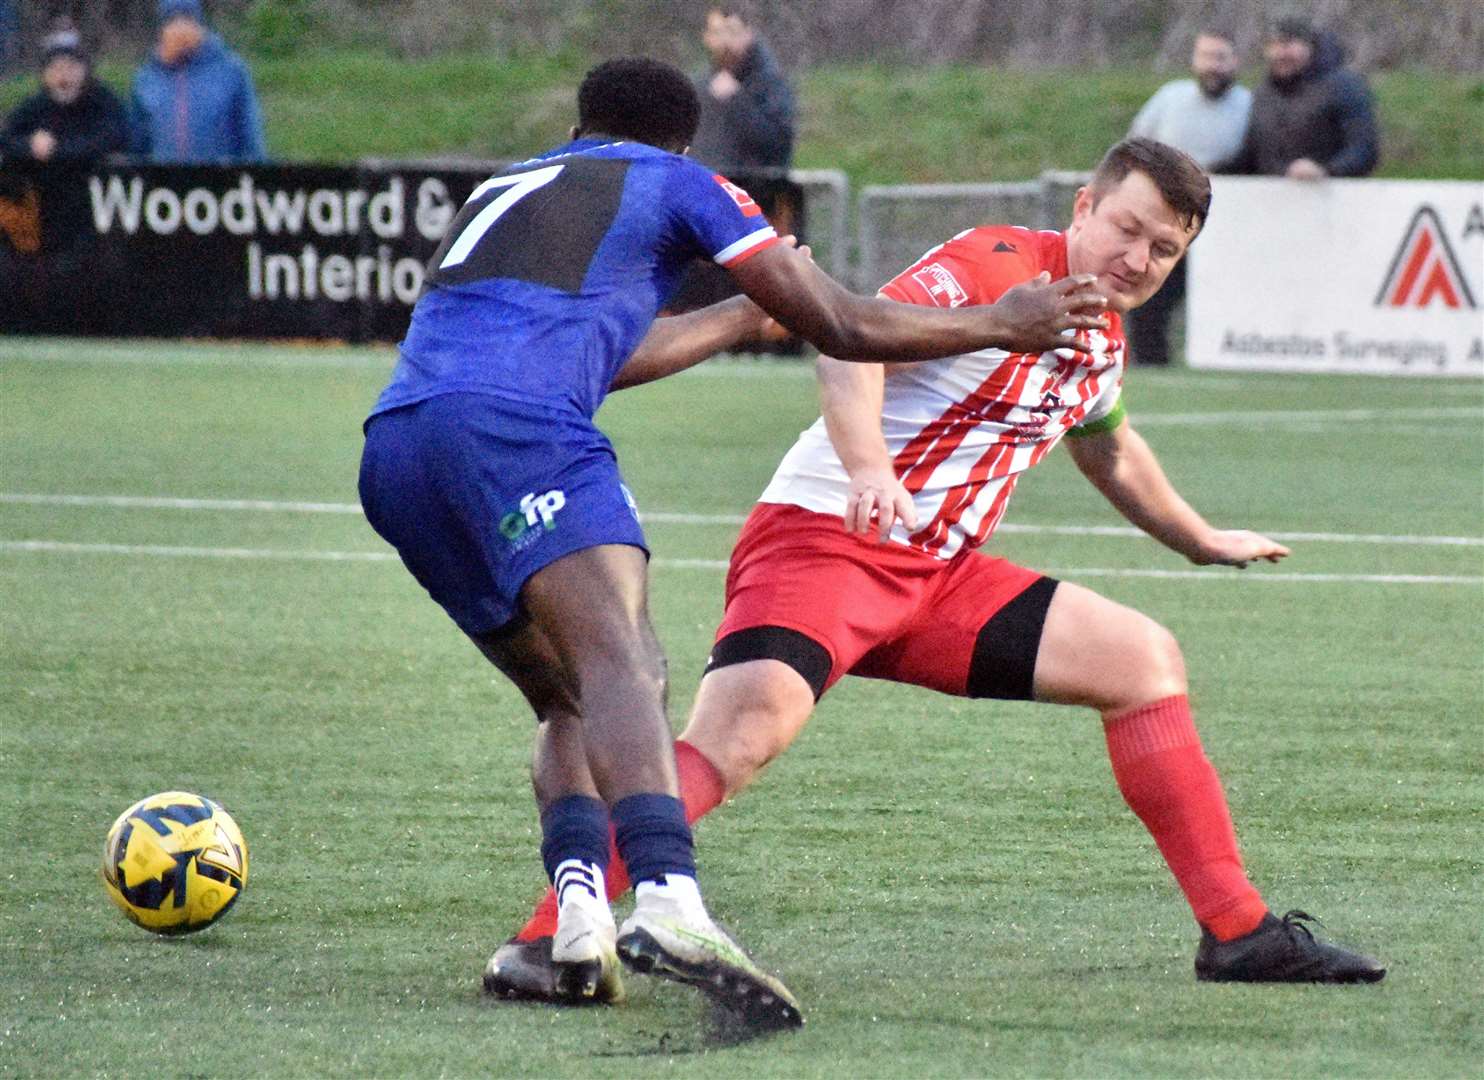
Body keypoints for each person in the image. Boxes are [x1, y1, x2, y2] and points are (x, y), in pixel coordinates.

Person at [487, 137, 1387, 1003]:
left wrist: (1198, 538)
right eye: (1126, 228)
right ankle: (545, 933)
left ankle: (1237, 930)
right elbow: (848, 344)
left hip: (938, 575)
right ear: (1084, 207)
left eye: (1164, 248)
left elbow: (1109, 450)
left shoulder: (1099, 337)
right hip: (825, 540)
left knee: (1143, 661)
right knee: (739, 738)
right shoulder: (999, 263)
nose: (1138, 257)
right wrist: (871, 467)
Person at [359, 57, 1106, 1032]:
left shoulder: (511, 186)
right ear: (681, 138)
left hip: (400, 449)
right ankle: (668, 902)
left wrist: (741, 312)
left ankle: (576, 925)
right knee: (626, 660)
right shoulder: (678, 181)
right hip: (520, 431)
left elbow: (603, 355)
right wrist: (993, 323)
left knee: (565, 696)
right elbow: (838, 321)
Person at [1124, 27, 1250, 366]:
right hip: (1166, 221)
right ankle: (1152, 365)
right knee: (1152, 299)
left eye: (1220, 58)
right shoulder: (1170, 99)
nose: (1213, 65)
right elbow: (1135, 147)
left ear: (1235, 62)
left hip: (1228, 228)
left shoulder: (1249, 107)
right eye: (1206, 56)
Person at [1224, 14, 1378, 180]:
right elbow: (1251, 156)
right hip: (1272, 198)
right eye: (1273, 45)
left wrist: (1325, 170)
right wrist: (1212, 174)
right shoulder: (1263, 94)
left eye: (1287, 44)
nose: (1279, 53)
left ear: (1309, 45)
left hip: (1332, 197)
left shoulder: (1345, 86)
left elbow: (1364, 150)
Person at [128, 0, 266, 164]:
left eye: (187, 19)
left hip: (221, 182)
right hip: (162, 184)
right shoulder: (146, 79)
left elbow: (250, 137)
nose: (180, 29)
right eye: (172, 21)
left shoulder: (231, 72)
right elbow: (137, 144)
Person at [691, 2, 795, 174]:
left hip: (757, 190)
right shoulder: (700, 86)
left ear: (748, 34)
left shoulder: (771, 82)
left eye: (732, 32)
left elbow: (779, 146)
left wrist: (737, 101)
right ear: (707, 38)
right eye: (718, 33)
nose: (725, 41)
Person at [0, 25, 128, 165]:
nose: (64, 76)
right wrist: (29, 145)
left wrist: (56, 149)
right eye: (56, 68)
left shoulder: (103, 101)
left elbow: (111, 139)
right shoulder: (37, 105)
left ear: (85, 70)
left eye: (71, 67)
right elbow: (7, 139)